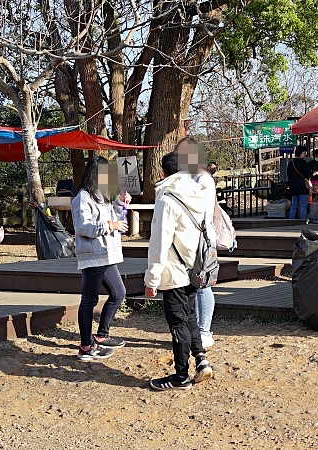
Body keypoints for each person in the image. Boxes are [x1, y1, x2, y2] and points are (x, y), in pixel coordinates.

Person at [144, 151, 215, 390]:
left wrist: (151, 279)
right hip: (194, 267)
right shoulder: (197, 194)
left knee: (178, 323)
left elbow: (159, 242)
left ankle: (181, 376)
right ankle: (201, 360)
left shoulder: (167, 199)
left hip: (174, 270)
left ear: (164, 172)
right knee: (189, 317)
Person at [72, 156, 129, 362]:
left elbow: (111, 217)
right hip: (93, 256)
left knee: (118, 293)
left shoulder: (101, 195)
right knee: (89, 300)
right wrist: (110, 226)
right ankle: (86, 347)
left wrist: (119, 203)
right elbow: (82, 227)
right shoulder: (83, 197)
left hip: (106, 254)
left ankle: (101, 336)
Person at [176, 137, 218, 350]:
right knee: (196, 283)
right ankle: (199, 330)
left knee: (203, 283)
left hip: (203, 237)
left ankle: (204, 331)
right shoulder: (191, 176)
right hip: (191, 237)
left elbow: (195, 205)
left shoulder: (202, 179)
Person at [286, 145, 312, 221]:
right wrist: (313, 173)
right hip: (302, 187)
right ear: (300, 153)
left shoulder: (291, 163)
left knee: (294, 205)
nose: (305, 155)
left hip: (293, 188)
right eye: (304, 153)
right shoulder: (303, 163)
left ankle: (291, 221)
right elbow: (306, 174)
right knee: (303, 206)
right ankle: (303, 221)